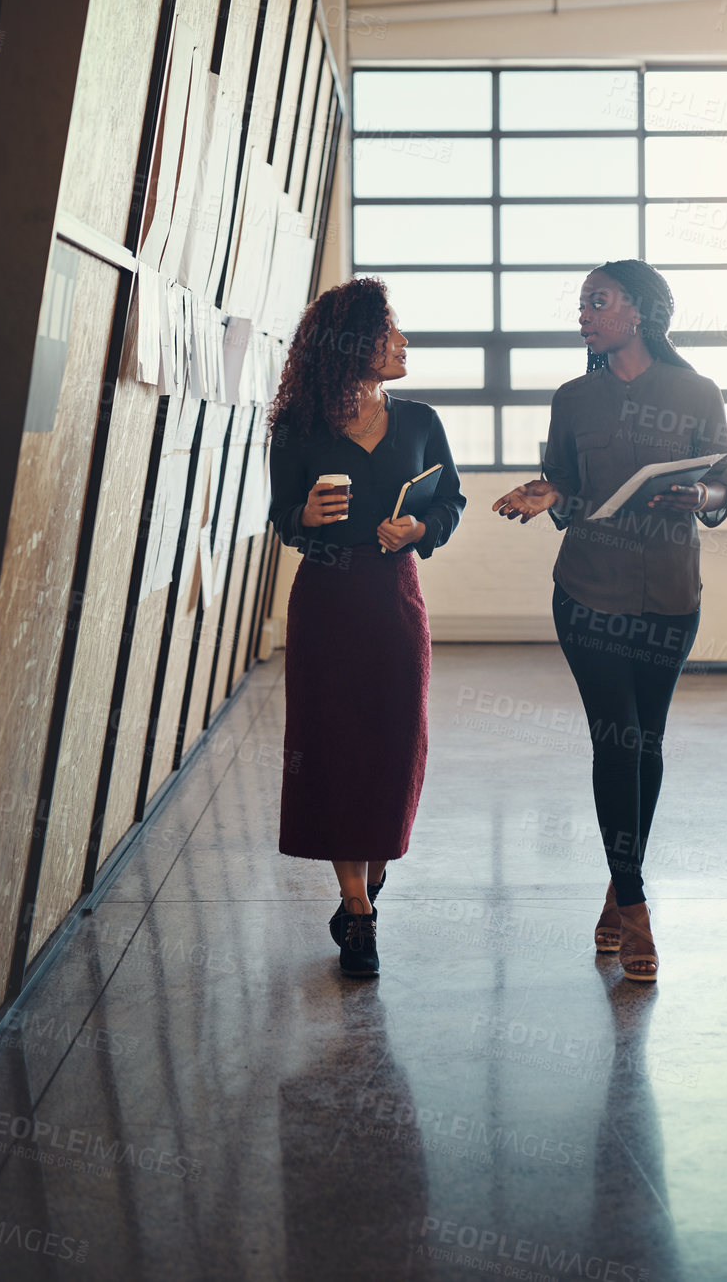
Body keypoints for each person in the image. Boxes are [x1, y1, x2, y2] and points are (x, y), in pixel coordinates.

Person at [492, 259, 727, 982]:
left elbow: (726, 483)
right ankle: (634, 907)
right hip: (588, 592)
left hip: (669, 593)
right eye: (581, 304)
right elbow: (566, 482)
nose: (584, 315)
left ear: (639, 311)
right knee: (616, 738)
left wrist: (700, 492)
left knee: (648, 743)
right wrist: (547, 496)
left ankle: (614, 881)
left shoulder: (696, 391)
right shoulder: (573, 398)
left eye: (596, 301)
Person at [268, 276, 465, 977]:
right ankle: (355, 909)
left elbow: (451, 501)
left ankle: (372, 883)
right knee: (331, 748)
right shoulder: (299, 425)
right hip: (325, 598)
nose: (403, 341)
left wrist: (420, 526)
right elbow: (280, 511)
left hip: (394, 599)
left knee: (393, 741)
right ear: (354, 342)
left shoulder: (419, 422)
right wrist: (303, 519)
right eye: (391, 330)